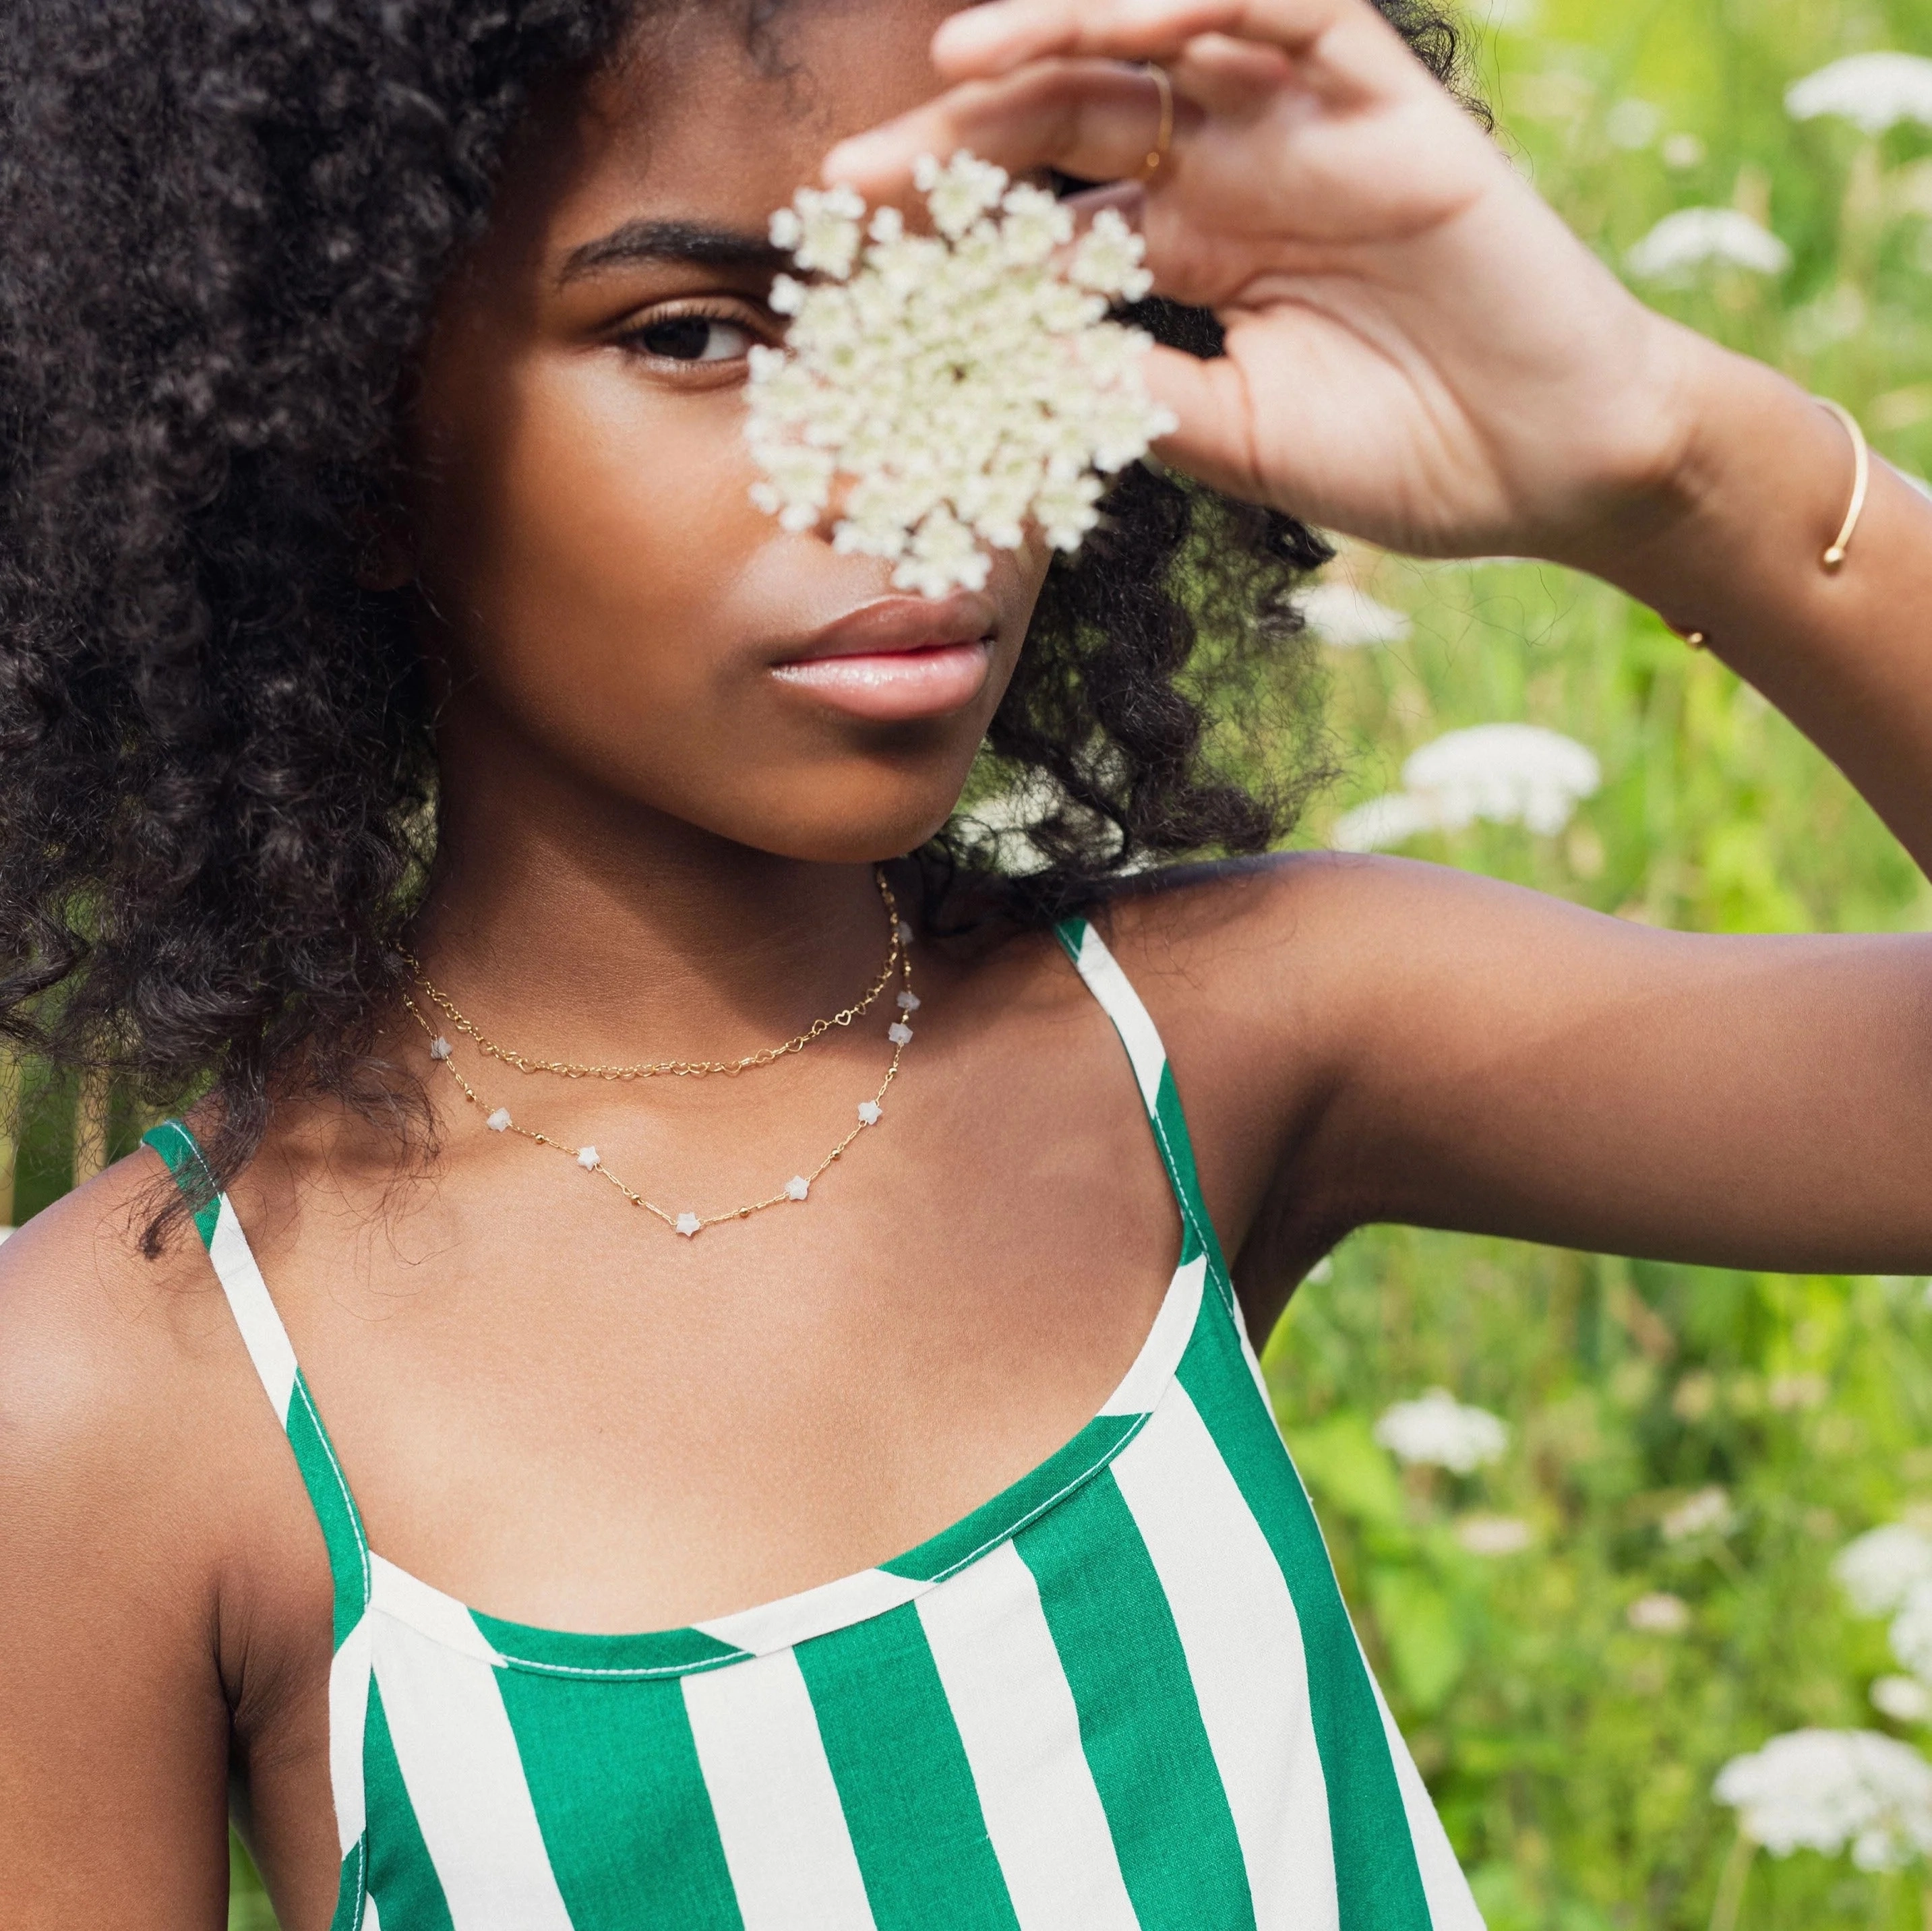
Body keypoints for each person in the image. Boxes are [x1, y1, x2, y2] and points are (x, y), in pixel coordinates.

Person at [3, 0, 1930, 1923]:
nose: (910, 459)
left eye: (985, 302)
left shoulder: (1222, 1042)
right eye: (697, 333)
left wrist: (1673, 468)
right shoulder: (120, 1400)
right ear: (340, 442)